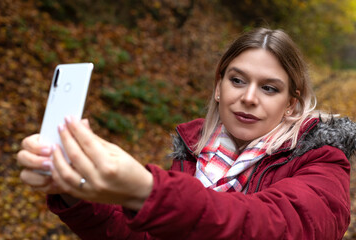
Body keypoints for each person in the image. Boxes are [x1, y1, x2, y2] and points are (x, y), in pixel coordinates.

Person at [17, 28, 356, 240]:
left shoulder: (322, 160)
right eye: (237, 80)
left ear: (291, 105)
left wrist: (146, 191)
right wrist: (76, 194)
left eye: (269, 88)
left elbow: (274, 226)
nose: (248, 97)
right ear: (218, 88)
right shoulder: (192, 158)